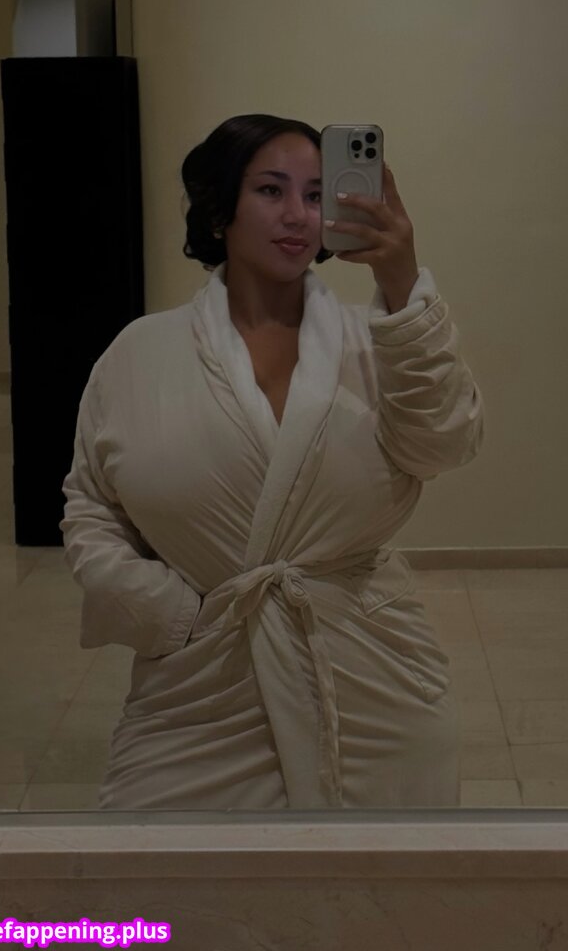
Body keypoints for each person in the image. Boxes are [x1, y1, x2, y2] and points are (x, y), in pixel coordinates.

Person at [61, 113, 484, 810]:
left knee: (384, 881)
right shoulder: (139, 354)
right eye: (270, 190)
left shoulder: (376, 342)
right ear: (219, 209)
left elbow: (441, 443)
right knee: (161, 873)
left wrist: (402, 281)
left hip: (373, 685)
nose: (298, 214)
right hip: (200, 688)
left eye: (317, 194)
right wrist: (171, 615)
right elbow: (92, 507)